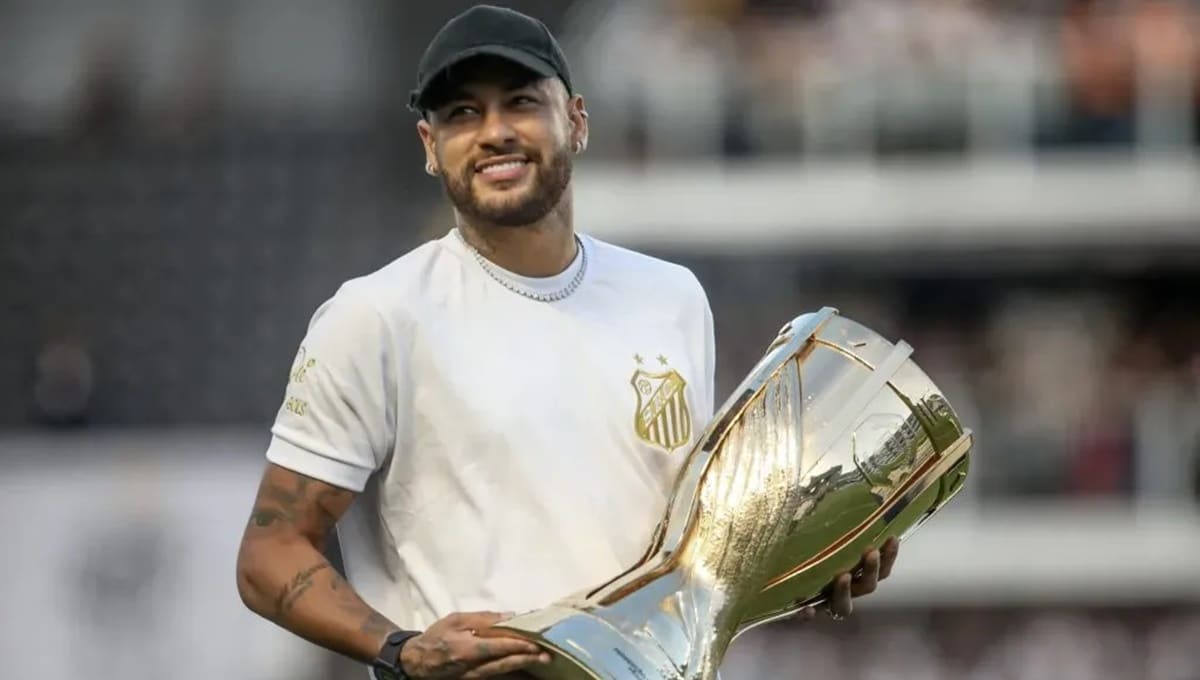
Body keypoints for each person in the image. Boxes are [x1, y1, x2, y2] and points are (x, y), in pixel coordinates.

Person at [234, 5, 899, 679]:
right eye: (462, 114)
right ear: (430, 148)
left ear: (576, 121)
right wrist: (403, 647)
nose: (493, 132)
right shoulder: (378, 315)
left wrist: (814, 560)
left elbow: (684, 563)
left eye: (520, 103)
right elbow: (269, 555)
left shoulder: (670, 297)